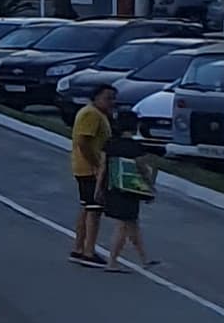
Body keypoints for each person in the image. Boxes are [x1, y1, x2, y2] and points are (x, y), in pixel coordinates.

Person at [101, 104, 159, 271]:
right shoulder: (135, 148)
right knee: (124, 225)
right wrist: (150, 188)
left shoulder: (110, 144)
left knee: (132, 224)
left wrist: (99, 188)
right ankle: (112, 261)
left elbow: (102, 167)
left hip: (112, 187)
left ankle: (144, 259)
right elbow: (144, 170)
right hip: (130, 190)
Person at [68, 85, 116, 268]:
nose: (112, 102)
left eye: (113, 98)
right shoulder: (91, 114)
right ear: (95, 97)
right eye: (108, 98)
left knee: (87, 208)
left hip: (84, 168)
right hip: (90, 169)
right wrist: (98, 165)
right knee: (94, 210)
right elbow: (83, 142)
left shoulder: (95, 113)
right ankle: (88, 251)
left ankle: (79, 248)